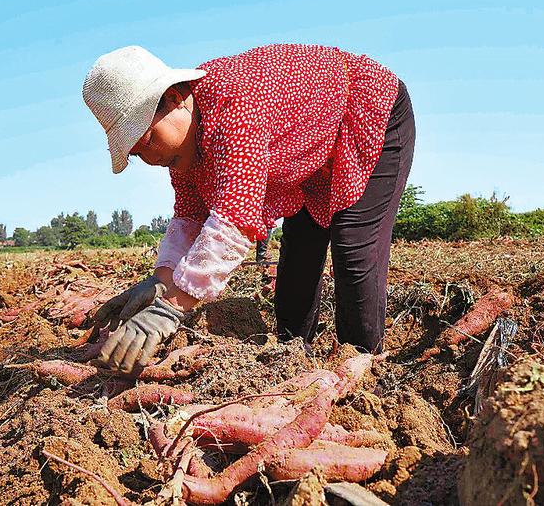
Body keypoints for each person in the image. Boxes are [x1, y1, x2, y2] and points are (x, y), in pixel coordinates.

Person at [83, 44, 415, 374]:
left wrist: (170, 308)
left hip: (367, 113)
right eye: (139, 154)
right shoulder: (185, 156)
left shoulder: (233, 104)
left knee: (354, 248)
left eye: (150, 139)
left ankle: (363, 371)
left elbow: (234, 223)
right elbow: (190, 218)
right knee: (299, 253)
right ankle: (293, 361)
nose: (152, 158)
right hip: (304, 156)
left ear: (175, 99)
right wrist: (159, 280)